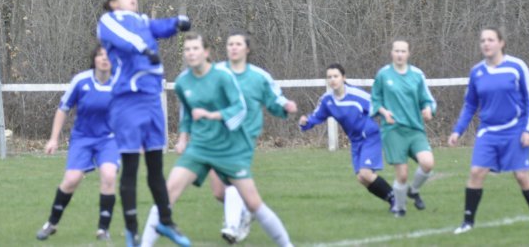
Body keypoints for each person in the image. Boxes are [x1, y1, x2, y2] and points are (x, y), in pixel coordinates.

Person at [140, 32, 294, 247]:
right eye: (187, 49)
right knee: (166, 194)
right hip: (199, 147)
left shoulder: (223, 76)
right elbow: (187, 114)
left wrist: (212, 115)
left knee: (253, 203)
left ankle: (286, 244)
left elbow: (240, 108)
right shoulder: (183, 81)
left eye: (195, 48)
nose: (191, 53)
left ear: (206, 52)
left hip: (229, 148)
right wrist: (183, 138)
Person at [96, 0, 192, 247]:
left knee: (156, 168)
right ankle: (132, 231)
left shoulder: (142, 21)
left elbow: (159, 26)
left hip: (151, 99)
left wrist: (178, 23)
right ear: (113, 3)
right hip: (128, 100)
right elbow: (124, 39)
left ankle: (166, 221)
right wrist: (144, 49)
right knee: (130, 167)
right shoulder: (109, 21)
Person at [449, 27, 529, 234]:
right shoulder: (477, 72)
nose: (486, 43)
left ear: (501, 43)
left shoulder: (516, 66)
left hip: (515, 130)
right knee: (476, 172)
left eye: (491, 39)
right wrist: (458, 130)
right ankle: (467, 223)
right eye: (483, 40)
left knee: (521, 176)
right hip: (488, 132)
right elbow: (470, 105)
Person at [209, 31, 297, 244]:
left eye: (238, 44)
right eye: (230, 44)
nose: (233, 47)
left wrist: (285, 106)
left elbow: (274, 99)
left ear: (247, 49)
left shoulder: (259, 77)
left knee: (231, 181)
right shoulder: (216, 73)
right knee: (219, 191)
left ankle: (232, 226)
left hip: (244, 137)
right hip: (218, 136)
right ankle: (246, 211)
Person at [36, 44, 119, 242]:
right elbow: (63, 108)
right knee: (72, 179)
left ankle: (103, 230)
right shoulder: (81, 81)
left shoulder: (119, 82)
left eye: (108, 55)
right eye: (100, 55)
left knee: (109, 176)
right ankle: (51, 224)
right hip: (82, 138)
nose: (104, 58)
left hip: (109, 139)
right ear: (94, 59)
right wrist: (54, 138)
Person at [299, 64, 395, 211]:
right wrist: (305, 122)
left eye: (336, 76)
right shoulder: (327, 100)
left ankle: (396, 200)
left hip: (369, 136)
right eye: (329, 77)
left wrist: (387, 115)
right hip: (355, 141)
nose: (332, 80)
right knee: (362, 178)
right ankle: (392, 199)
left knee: (366, 173)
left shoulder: (356, 95)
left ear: (343, 78)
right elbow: (316, 116)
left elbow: (376, 105)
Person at [370, 39, 436, 217]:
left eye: (403, 51)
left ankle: (413, 191)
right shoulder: (383, 75)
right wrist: (384, 112)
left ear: (408, 54)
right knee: (403, 175)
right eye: (396, 51)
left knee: (428, 163)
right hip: (393, 130)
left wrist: (428, 109)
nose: (399, 54)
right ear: (391, 53)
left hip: (415, 129)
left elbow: (427, 99)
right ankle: (400, 209)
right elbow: (375, 100)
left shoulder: (417, 75)